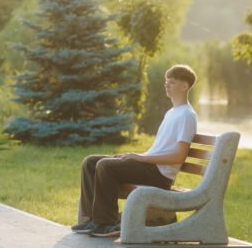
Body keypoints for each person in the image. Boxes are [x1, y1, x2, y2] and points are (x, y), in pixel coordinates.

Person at [74, 64, 198, 238]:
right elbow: (160, 148)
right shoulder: (172, 112)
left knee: (105, 166)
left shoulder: (187, 115)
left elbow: (179, 156)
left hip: (160, 175)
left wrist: (141, 158)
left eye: (172, 82)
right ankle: (91, 219)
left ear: (185, 86)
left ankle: (106, 223)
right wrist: (133, 157)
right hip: (151, 166)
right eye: (166, 82)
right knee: (90, 162)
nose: (166, 86)